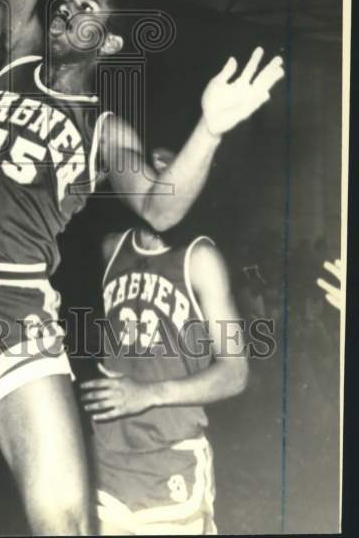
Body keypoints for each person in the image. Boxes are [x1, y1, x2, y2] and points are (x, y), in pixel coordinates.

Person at [0, 0, 284, 536]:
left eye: (87, 10)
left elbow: (163, 205)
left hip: (18, 316)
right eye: (65, 2)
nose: (67, 10)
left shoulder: (104, 129)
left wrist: (209, 130)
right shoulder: (5, 60)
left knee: (65, 523)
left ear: (108, 43)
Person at [79, 147, 248, 536]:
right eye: (149, 171)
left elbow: (236, 372)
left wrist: (148, 393)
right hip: (106, 458)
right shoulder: (109, 249)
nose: (161, 181)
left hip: (171, 456)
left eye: (172, 171)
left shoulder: (200, 259)